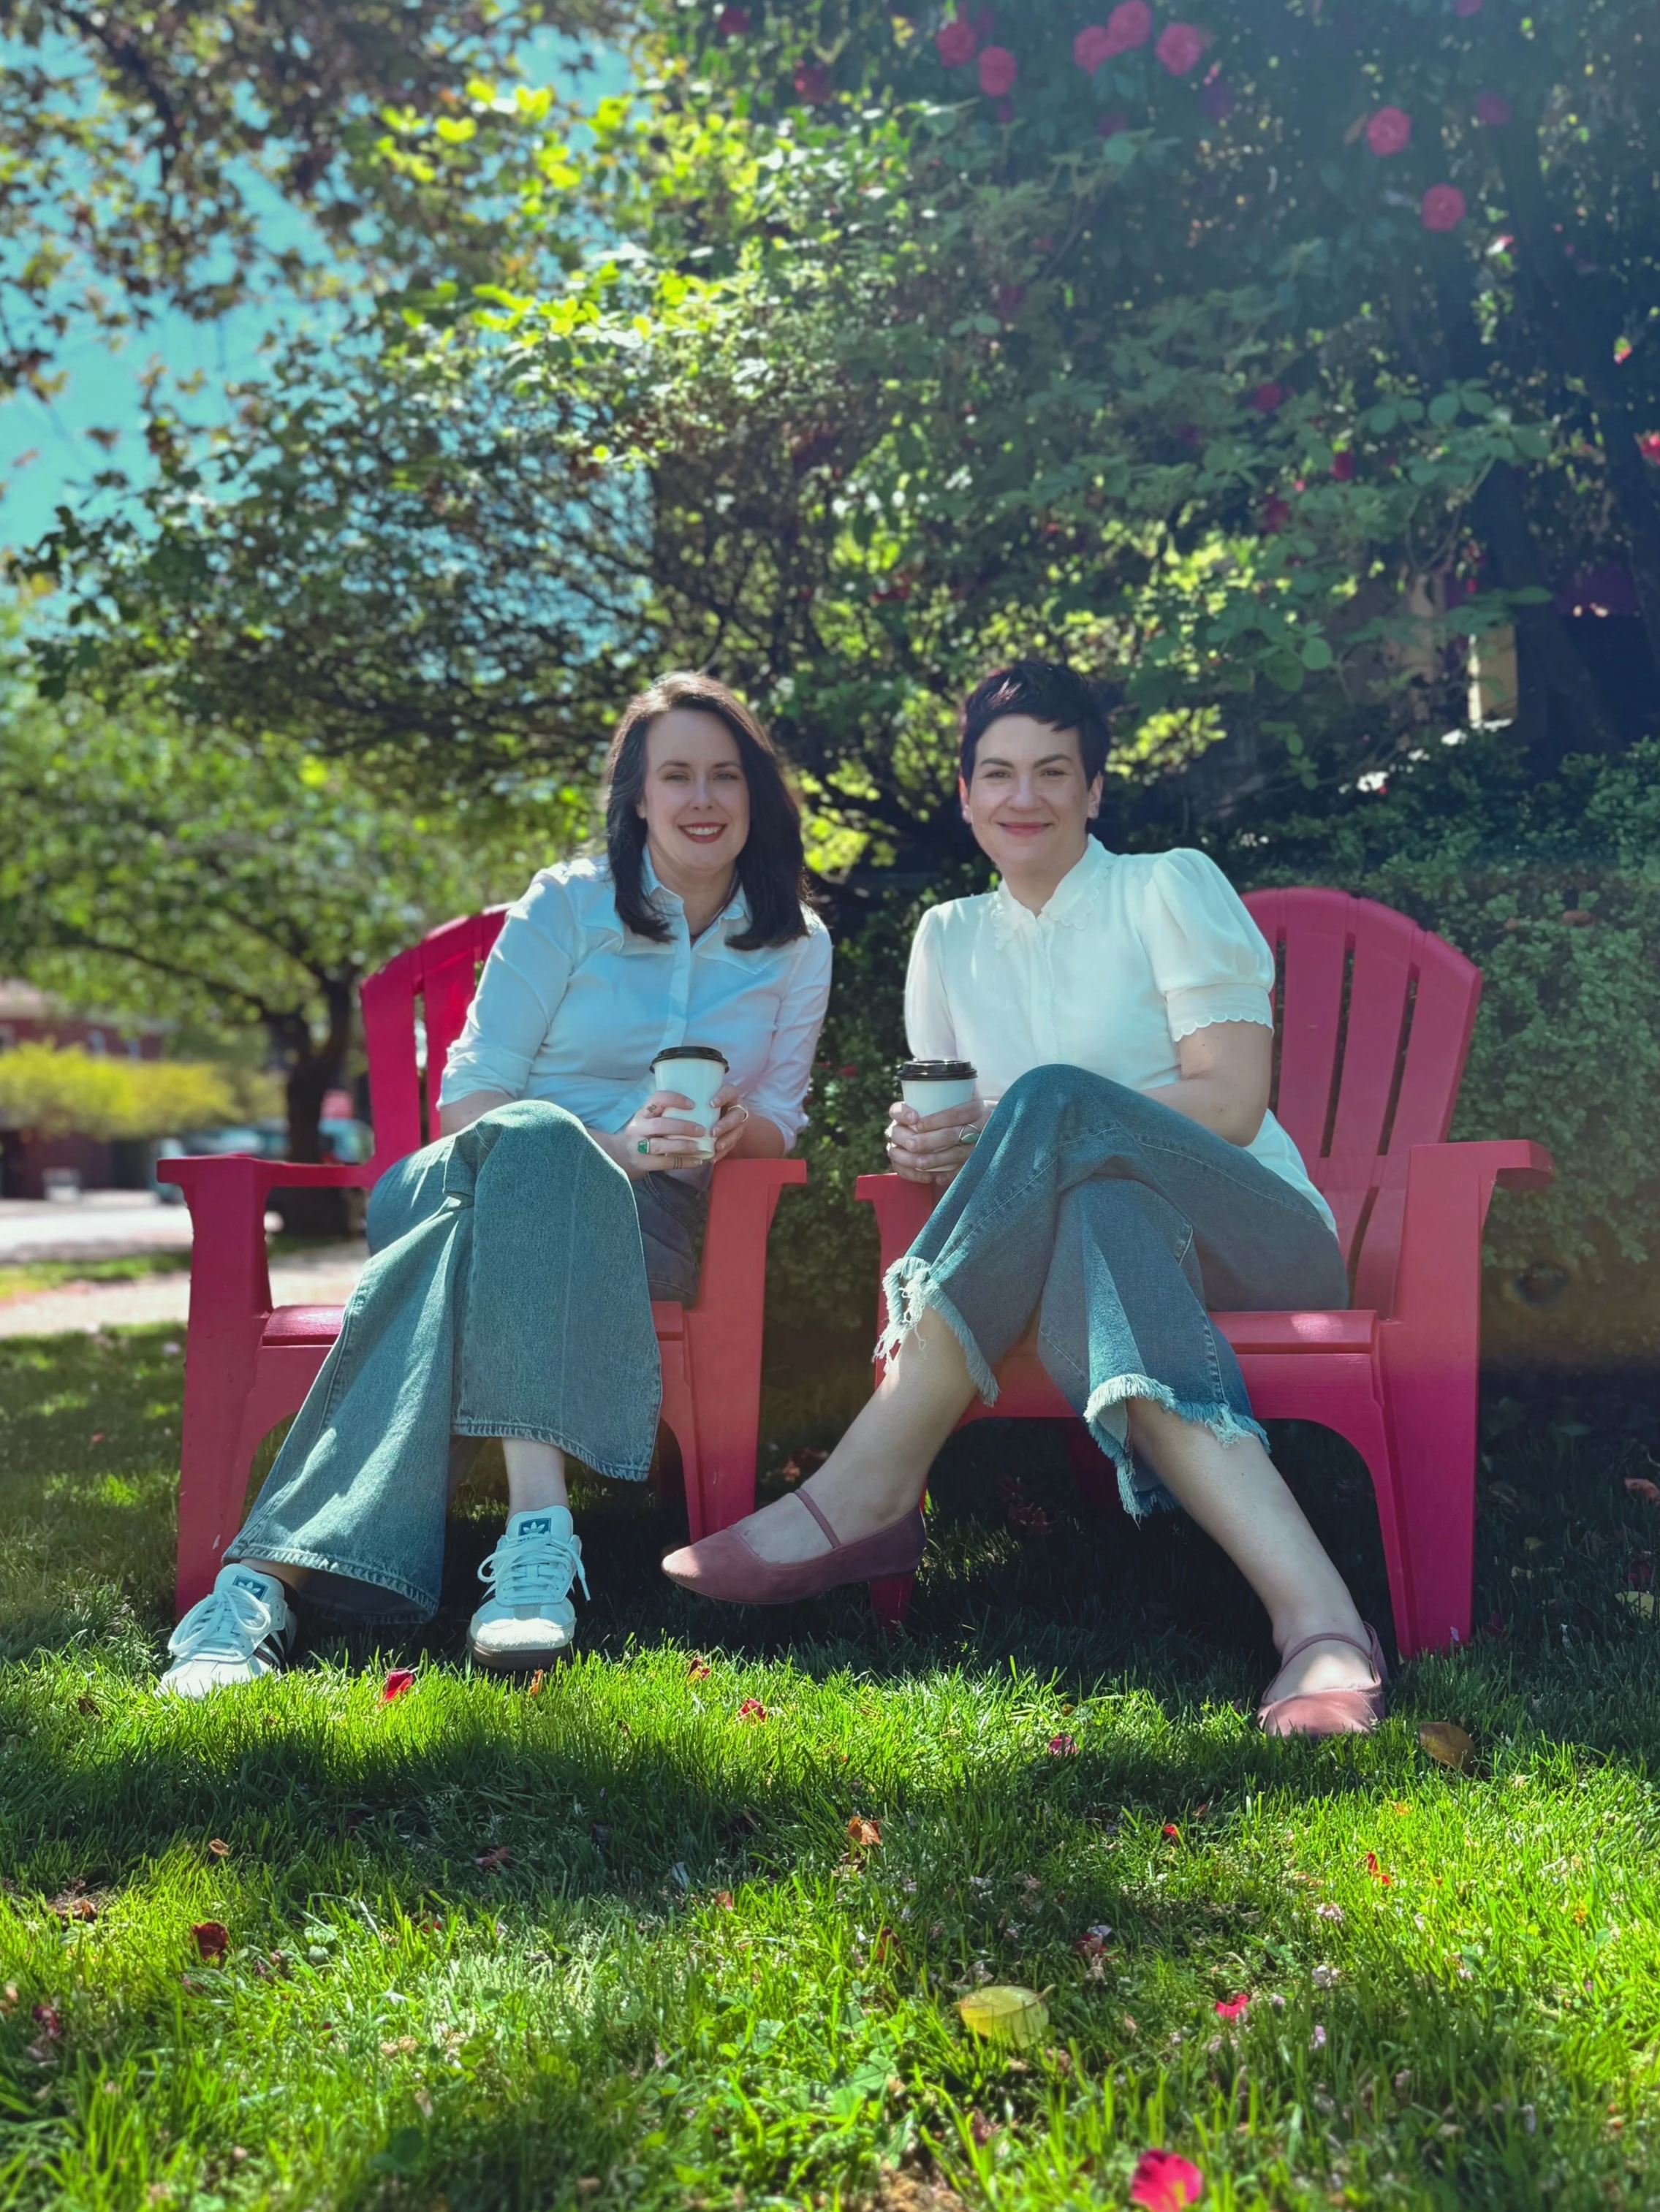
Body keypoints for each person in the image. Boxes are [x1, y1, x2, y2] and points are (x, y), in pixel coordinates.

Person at [663, 659, 1384, 1740]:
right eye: (996, 773)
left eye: (1054, 771)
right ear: (964, 796)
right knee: (1099, 1215)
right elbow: (989, 1171)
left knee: (1052, 1104)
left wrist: (1023, 1119)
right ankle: (1319, 1625)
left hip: (1256, 1233)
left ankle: (872, 1475)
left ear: (1094, 790)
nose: (1024, 796)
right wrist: (930, 1148)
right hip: (1097, 1256)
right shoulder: (946, 939)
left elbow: (1232, 1102)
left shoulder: (1164, 886)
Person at [161, 673, 832, 1695]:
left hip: (639, 1222)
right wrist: (608, 1142)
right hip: (454, 1177)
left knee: (469, 1244)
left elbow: (783, 1119)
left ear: (756, 795)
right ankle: (534, 1530)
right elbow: (470, 1099)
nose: (702, 799)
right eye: (676, 776)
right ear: (636, 798)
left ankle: (255, 1581)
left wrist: (736, 1132)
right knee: (529, 1135)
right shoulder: (567, 903)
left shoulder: (796, 944)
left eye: (724, 776)